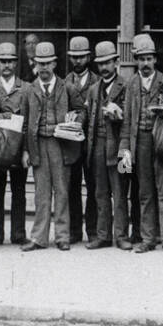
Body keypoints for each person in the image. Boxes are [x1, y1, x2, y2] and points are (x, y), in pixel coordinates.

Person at [121, 33, 163, 255]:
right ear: (136, 61)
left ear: (155, 60)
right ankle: (148, 238)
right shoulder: (131, 84)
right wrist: (125, 150)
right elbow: (126, 121)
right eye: (141, 59)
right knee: (145, 193)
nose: (146, 63)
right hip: (139, 142)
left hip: (162, 141)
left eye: (149, 58)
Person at [21, 41, 75, 251]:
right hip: (38, 145)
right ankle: (39, 237)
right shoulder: (29, 89)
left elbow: (81, 110)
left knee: (61, 191)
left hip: (61, 145)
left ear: (54, 64)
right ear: (35, 64)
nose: (43, 68)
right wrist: (25, 150)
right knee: (41, 193)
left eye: (47, 63)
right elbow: (24, 122)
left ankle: (62, 237)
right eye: (39, 63)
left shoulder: (67, 87)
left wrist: (75, 118)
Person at [86, 40, 132, 250]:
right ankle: (103, 236)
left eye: (107, 63)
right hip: (98, 148)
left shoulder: (127, 86)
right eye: (100, 64)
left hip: (122, 149)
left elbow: (130, 119)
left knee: (121, 193)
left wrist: (119, 115)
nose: (104, 68)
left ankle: (121, 235)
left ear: (116, 62)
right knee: (100, 192)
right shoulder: (94, 89)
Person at [0, 42, 29, 246]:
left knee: (19, 191)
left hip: (19, 146)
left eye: (10, 62)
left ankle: (19, 233)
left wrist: (26, 150)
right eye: (3, 62)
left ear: (15, 64)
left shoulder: (26, 88)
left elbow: (29, 122)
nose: (6, 65)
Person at [64, 35, 99, 242]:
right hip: (70, 143)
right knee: (72, 187)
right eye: (74, 57)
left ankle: (93, 231)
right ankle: (74, 231)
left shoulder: (97, 81)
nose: (77, 61)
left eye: (81, 57)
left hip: (93, 143)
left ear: (88, 57)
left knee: (94, 187)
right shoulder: (64, 82)